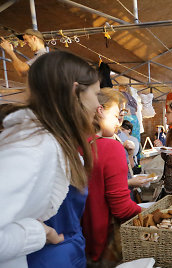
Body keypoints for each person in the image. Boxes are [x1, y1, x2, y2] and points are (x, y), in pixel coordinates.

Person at [0, 51, 100, 267]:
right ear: (76, 92)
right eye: (96, 94)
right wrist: (39, 232)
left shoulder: (54, 141)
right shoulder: (32, 146)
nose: (97, 106)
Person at [82, 88, 142, 267]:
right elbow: (121, 209)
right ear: (100, 110)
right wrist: (151, 214)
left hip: (82, 240)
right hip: (106, 242)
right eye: (116, 115)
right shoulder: (111, 147)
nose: (119, 122)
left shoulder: (77, 144)